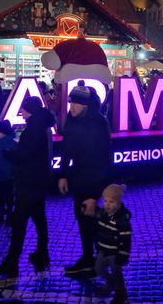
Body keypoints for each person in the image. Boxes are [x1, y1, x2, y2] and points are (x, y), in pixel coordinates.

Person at [0, 97, 56, 276]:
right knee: (39, 220)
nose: (21, 112)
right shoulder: (43, 127)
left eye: (24, 109)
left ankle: (12, 263)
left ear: (30, 110)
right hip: (39, 180)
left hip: (28, 182)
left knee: (19, 223)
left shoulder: (32, 130)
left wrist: (9, 154)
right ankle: (42, 254)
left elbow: (25, 155)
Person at [58, 82, 111, 276]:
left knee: (92, 222)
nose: (71, 106)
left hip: (93, 182)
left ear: (86, 106)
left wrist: (95, 196)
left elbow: (104, 159)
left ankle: (97, 260)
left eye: (76, 104)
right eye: (71, 102)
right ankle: (89, 257)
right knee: (82, 220)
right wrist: (63, 174)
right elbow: (66, 148)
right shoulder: (73, 120)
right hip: (79, 178)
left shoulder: (98, 123)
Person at [94, 184, 132, 304]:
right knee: (98, 268)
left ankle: (121, 294)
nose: (107, 204)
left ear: (118, 202)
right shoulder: (103, 214)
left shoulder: (122, 221)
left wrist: (123, 255)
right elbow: (98, 227)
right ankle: (110, 283)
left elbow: (126, 240)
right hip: (103, 249)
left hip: (115, 253)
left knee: (117, 273)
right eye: (105, 201)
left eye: (111, 202)